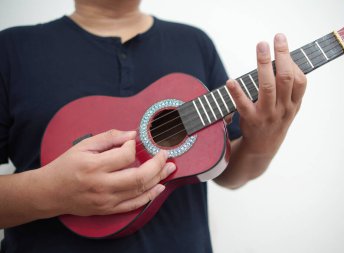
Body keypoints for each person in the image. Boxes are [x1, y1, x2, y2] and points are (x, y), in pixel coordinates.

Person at [0, 0, 307, 252]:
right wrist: (51, 192)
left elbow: (228, 173)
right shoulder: (11, 49)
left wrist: (265, 139)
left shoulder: (194, 43)